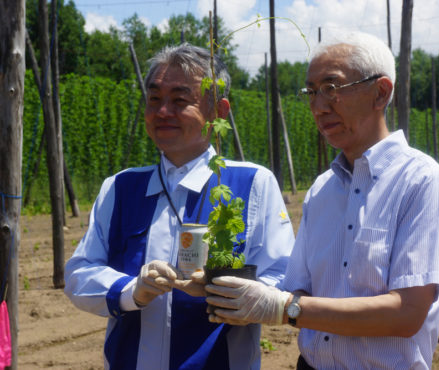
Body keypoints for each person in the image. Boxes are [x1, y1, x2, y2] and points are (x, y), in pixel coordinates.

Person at [204, 32, 439, 369]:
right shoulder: (322, 189)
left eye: (331, 88)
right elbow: (297, 290)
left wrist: (284, 308)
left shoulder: (421, 181)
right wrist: (224, 287)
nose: (318, 106)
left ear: (380, 93)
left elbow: (407, 313)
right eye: (311, 92)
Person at [64, 44, 295, 370]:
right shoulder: (120, 187)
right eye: (154, 99)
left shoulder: (252, 184)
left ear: (219, 110)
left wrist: (221, 291)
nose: (162, 112)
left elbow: (281, 277)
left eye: (180, 100)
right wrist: (132, 290)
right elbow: (78, 274)